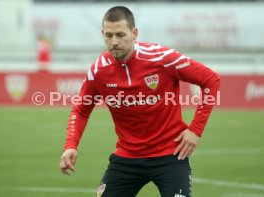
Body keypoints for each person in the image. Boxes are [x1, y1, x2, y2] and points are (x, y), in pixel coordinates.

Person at [59, 6, 220, 197]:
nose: (114, 42)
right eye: (108, 35)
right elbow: (81, 110)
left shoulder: (162, 58)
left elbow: (211, 80)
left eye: (120, 34)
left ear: (134, 33)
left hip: (171, 155)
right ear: (102, 34)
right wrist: (70, 145)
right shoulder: (98, 71)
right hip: (127, 158)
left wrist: (195, 130)